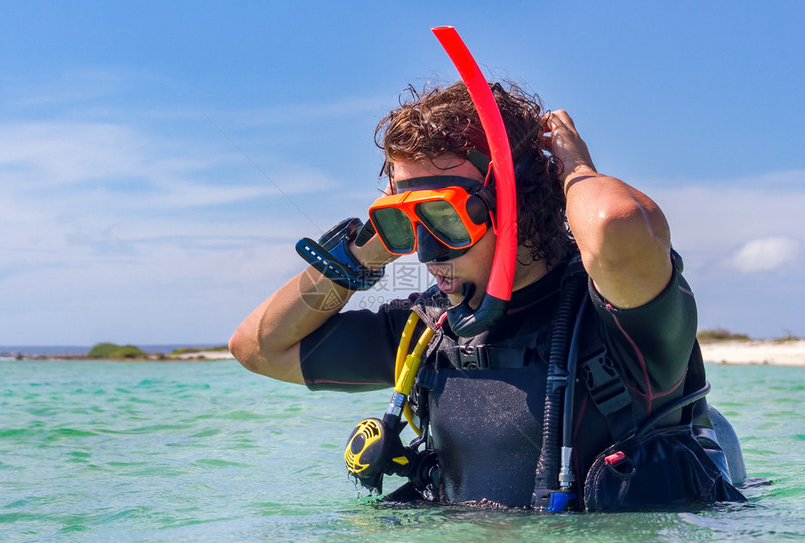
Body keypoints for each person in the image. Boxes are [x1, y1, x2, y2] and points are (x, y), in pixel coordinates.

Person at [230, 80, 746, 511]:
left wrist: (575, 169)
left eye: (443, 215)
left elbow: (616, 225)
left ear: (515, 201)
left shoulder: (620, 321)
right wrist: (361, 256)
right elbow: (258, 348)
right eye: (405, 221)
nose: (426, 254)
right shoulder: (426, 332)